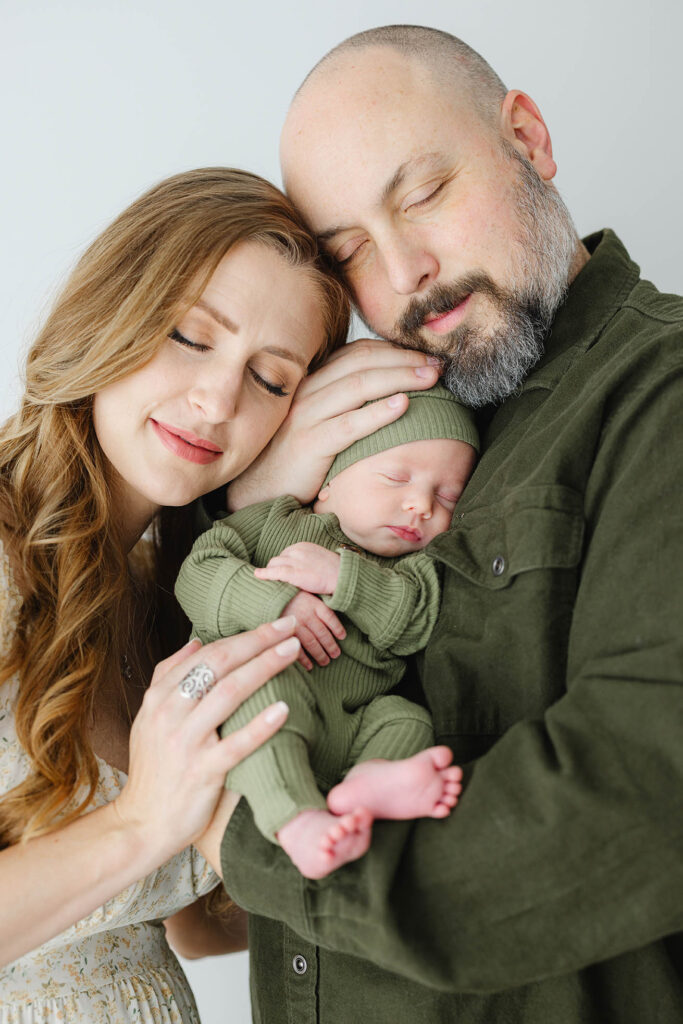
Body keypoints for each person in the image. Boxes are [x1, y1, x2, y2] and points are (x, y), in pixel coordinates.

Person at [200, 25, 683, 1024]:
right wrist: (270, 503)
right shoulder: (376, 430)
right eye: (350, 251)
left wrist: (240, 839)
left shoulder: (658, 393)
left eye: (420, 193)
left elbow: (639, 793)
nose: (405, 271)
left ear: (527, 138)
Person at [0, 165, 441, 1022]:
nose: (214, 401)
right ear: (111, 309)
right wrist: (140, 823)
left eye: (271, 380)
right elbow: (146, 836)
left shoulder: (175, 586)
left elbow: (200, 927)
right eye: (189, 336)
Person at [176, 385, 476, 879]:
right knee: (255, 694)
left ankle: (367, 782)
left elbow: (416, 622)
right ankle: (296, 820)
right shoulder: (276, 524)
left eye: (447, 496)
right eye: (395, 477)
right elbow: (198, 572)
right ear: (329, 482)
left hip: (352, 723)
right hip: (265, 692)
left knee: (408, 720)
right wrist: (276, 600)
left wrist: (345, 580)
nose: (421, 504)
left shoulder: (416, 572)